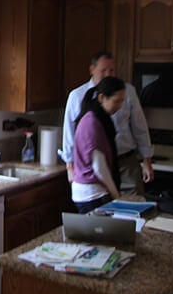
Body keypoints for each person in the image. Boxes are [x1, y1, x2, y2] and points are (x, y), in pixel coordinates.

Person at [61, 51, 154, 192]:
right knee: (103, 210)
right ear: (91, 70)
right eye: (103, 70)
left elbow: (139, 126)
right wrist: (70, 166)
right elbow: (70, 132)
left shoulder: (127, 91)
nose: (108, 74)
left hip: (125, 161)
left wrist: (147, 160)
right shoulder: (77, 96)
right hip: (92, 167)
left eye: (111, 70)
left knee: (134, 206)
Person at [71, 76, 127, 213]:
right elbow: (99, 167)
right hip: (91, 193)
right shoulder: (92, 123)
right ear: (102, 98)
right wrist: (116, 195)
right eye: (116, 101)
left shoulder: (96, 117)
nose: (120, 106)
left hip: (88, 191)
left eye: (122, 101)